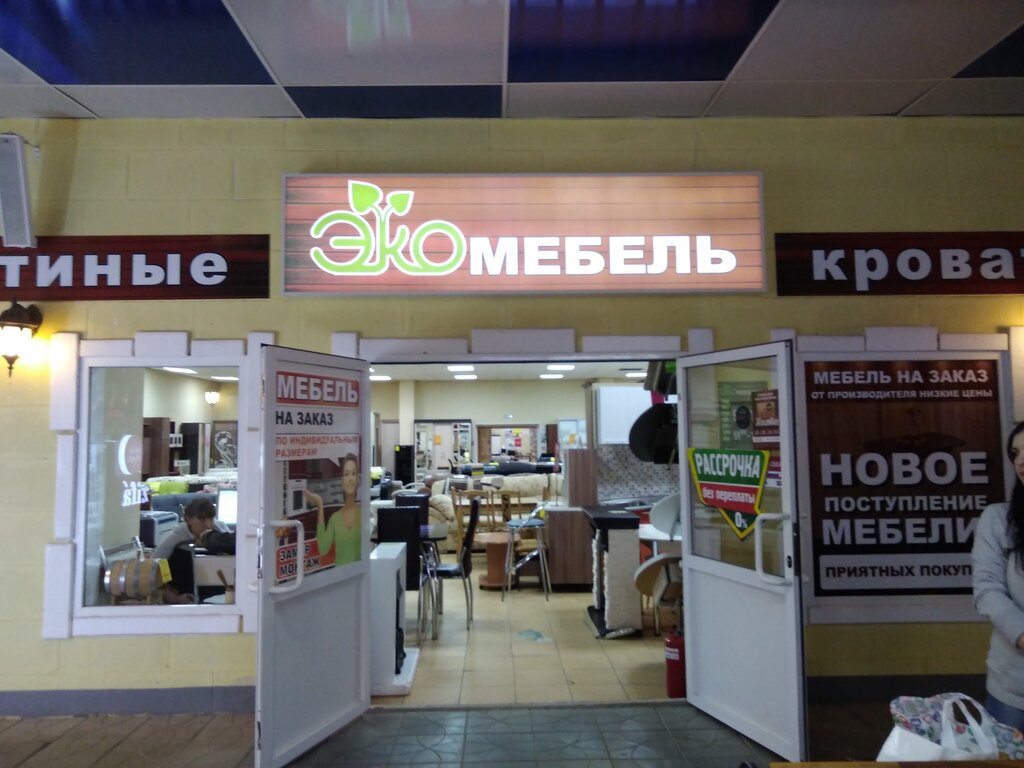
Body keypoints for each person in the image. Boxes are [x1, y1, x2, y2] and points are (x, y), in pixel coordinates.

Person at [972, 420, 1024, 731]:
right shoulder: (997, 519)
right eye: (1015, 453)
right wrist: (1021, 634)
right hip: (1014, 687)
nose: (1021, 461)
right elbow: (987, 589)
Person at [153, 497, 231, 603]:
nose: (208, 525)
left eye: (211, 519)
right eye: (202, 519)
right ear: (189, 519)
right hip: (186, 589)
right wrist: (167, 589)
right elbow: (157, 560)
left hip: (219, 587)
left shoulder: (220, 529)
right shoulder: (179, 533)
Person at [307, 453, 362, 567]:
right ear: (342, 481)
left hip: (360, 576)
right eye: (346, 474)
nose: (350, 478)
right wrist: (320, 505)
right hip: (340, 576)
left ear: (357, 479)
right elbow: (323, 549)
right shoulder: (335, 519)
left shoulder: (364, 514)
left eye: (353, 473)